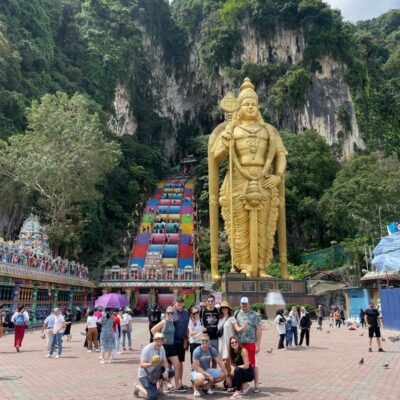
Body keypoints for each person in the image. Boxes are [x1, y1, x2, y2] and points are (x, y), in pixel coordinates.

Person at [209, 77, 287, 279]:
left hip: (264, 179)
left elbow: (280, 154)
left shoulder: (268, 130)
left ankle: (261, 267)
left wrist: (278, 176)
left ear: (259, 107)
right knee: (240, 226)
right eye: (246, 104)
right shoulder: (231, 129)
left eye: (253, 104)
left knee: (263, 226)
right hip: (237, 180)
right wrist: (226, 143)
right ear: (238, 107)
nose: (250, 107)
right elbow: (216, 157)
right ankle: (244, 265)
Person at [133, 332, 175, 400]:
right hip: (145, 375)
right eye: (157, 341)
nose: (159, 343)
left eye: (161, 342)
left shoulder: (161, 348)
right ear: (154, 340)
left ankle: (159, 390)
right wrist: (151, 364)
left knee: (171, 372)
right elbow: (141, 365)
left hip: (155, 372)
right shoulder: (147, 349)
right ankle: (137, 387)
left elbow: (165, 361)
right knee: (153, 397)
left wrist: (167, 370)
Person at [152, 306, 184, 392]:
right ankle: (163, 386)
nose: (170, 314)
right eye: (168, 313)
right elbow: (153, 330)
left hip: (171, 346)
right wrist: (160, 339)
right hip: (164, 347)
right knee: (163, 367)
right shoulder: (164, 321)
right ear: (165, 313)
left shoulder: (172, 321)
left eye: (171, 313)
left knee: (177, 365)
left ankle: (177, 385)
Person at [233, 297, 261, 393]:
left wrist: (258, 344)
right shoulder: (236, 313)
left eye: (246, 303)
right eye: (242, 303)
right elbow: (234, 328)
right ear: (240, 304)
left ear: (249, 304)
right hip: (240, 344)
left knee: (253, 365)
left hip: (250, 343)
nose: (244, 305)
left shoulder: (254, 314)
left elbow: (258, 329)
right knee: (241, 364)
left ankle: (256, 385)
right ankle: (243, 384)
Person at [191, 334, 228, 398]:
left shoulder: (212, 349)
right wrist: (208, 375)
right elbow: (197, 368)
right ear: (200, 341)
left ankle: (207, 387)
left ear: (209, 341)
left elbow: (220, 363)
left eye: (206, 340)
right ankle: (196, 389)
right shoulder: (197, 351)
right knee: (201, 378)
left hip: (206, 369)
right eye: (203, 340)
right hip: (195, 371)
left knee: (223, 374)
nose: (204, 342)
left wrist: (227, 376)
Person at [173, 298, 190, 392]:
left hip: (181, 341)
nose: (179, 304)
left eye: (181, 303)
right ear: (175, 303)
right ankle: (169, 383)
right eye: (178, 302)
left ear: (183, 304)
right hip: (172, 341)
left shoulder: (186, 313)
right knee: (171, 363)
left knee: (180, 362)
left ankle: (180, 381)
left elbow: (187, 326)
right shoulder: (171, 312)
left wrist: (187, 339)